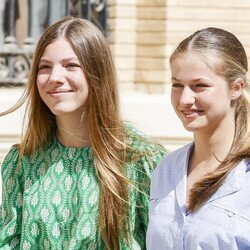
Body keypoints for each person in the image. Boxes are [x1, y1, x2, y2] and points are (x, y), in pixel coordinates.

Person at [0, 16, 166, 249]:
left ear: (97, 74)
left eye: (71, 66)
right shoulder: (22, 163)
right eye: (45, 67)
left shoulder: (141, 160)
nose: (55, 78)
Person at [147, 27, 250, 249]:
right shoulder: (165, 170)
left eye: (199, 86)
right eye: (177, 85)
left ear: (236, 88)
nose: (184, 99)